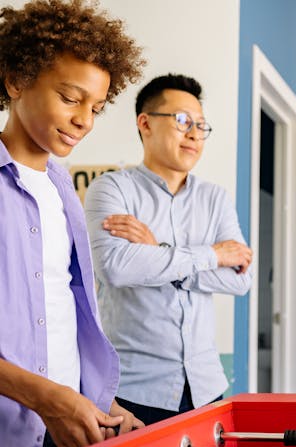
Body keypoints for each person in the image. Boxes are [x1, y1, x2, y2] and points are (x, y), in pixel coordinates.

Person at [0, 0, 145, 447]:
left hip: (63, 431)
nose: (85, 119)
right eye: (70, 98)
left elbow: (63, 311)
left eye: (97, 107)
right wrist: (48, 398)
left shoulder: (64, 188)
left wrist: (101, 404)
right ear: (16, 80)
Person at [84, 74, 253, 426]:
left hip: (206, 387)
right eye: (182, 121)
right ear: (145, 123)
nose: (194, 134)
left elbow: (240, 280)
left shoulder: (215, 198)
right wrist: (213, 255)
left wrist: (158, 252)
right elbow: (115, 267)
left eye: (201, 125)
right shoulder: (111, 189)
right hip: (133, 392)